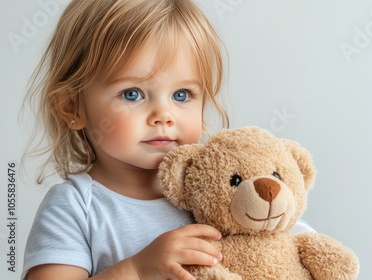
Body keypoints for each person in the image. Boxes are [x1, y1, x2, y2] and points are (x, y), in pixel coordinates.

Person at [21, 1, 315, 280]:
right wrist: (137, 269)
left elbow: (291, 245)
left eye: (181, 95)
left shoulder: (223, 186)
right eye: (132, 94)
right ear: (72, 107)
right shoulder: (75, 206)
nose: (164, 115)